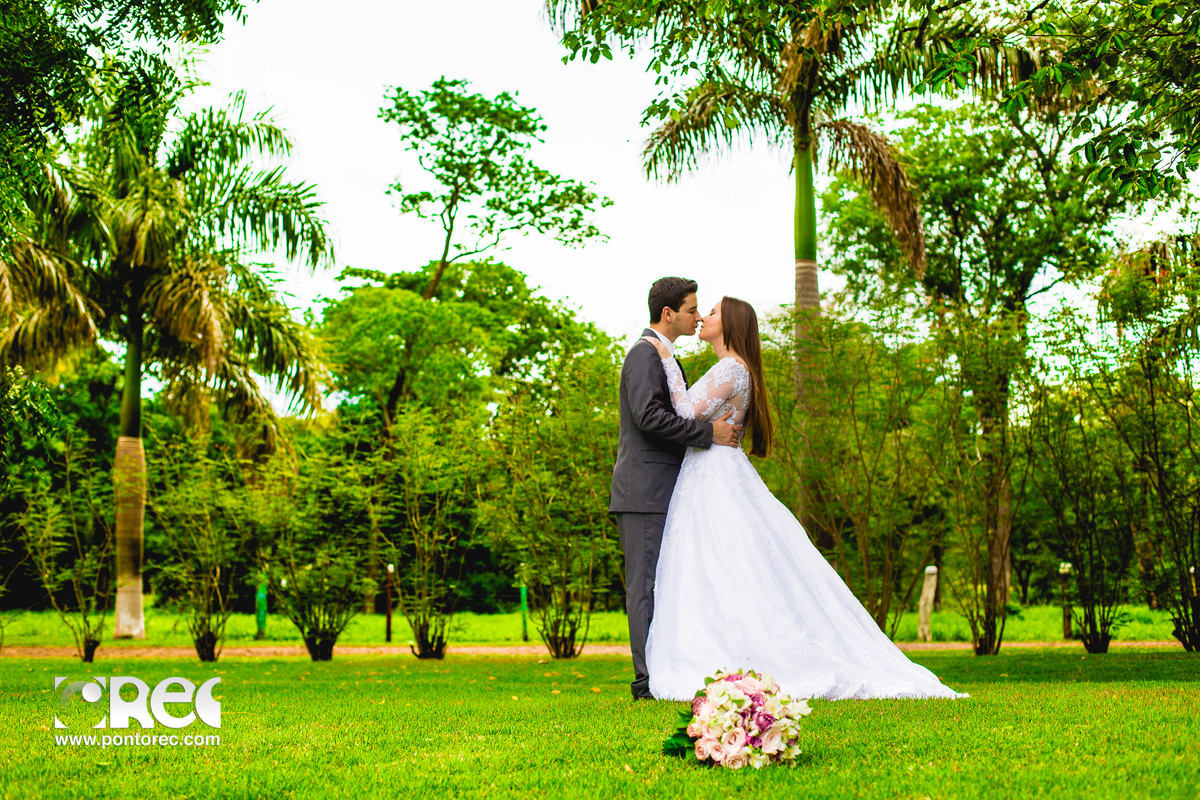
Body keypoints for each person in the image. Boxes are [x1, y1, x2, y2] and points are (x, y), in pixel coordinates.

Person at [642, 296, 967, 701]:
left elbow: (686, 412)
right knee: (720, 565)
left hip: (713, 476)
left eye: (714, 312)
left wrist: (666, 358)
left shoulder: (730, 367)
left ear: (733, 325)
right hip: (711, 472)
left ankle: (731, 654)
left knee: (722, 562)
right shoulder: (735, 367)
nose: (705, 316)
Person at [610, 277, 743, 701]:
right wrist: (708, 432)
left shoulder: (666, 357)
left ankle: (667, 671)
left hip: (666, 488)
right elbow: (650, 417)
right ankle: (645, 682)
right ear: (668, 314)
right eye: (691, 310)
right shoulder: (644, 356)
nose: (697, 316)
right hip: (644, 490)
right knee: (644, 585)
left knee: (665, 583)